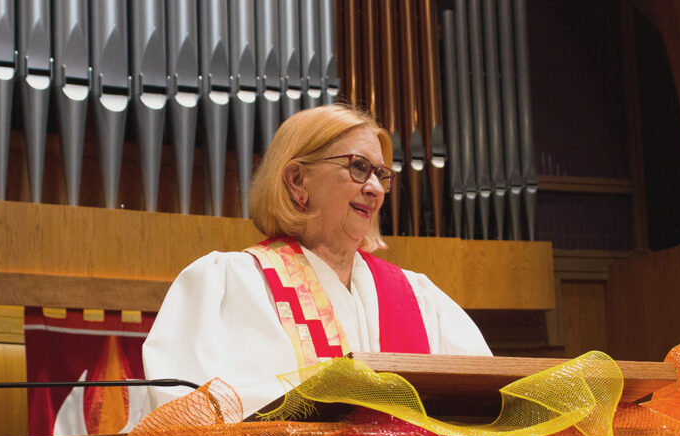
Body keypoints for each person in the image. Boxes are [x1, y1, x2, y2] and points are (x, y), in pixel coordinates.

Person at [143, 104, 491, 416]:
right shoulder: (228, 284)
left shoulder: (418, 296)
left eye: (381, 175)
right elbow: (183, 416)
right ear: (297, 180)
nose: (376, 189)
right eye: (358, 168)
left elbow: (487, 397)